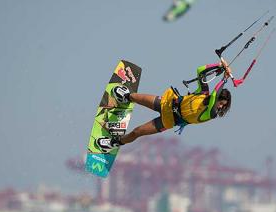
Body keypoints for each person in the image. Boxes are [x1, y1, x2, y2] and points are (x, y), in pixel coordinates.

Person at [96, 59, 233, 153]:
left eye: (222, 106)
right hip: (167, 103)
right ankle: (125, 97)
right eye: (221, 104)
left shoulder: (211, 113)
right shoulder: (203, 92)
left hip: (169, 120)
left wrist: (224, 79)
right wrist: (219, 66)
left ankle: (115, 142)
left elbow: (215, 94)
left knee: (137, 132)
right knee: (133, 97)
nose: (220, 107)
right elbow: (200, 70)